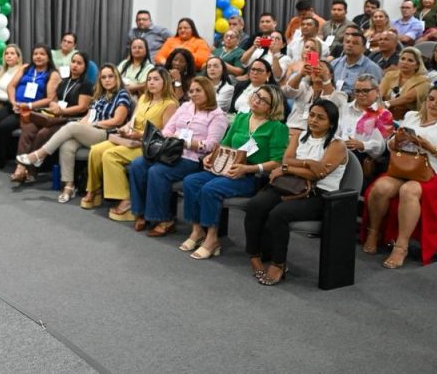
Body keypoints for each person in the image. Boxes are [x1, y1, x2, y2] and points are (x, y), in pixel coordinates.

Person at [244, 99, 348, 285]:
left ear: (331, 123)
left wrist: (287, 168)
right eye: (312, 115)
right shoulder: (299, 136)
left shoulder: (337, 145)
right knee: (256, 205)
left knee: (278, 214)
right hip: (290, 185)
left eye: (320, 118)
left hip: (320, 194)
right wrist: (308, 163)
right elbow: (287, 159)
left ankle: (278, 264)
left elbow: (318, 174)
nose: (313, 120)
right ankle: (255, 256)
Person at [180, 84, 289, 260]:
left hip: (251, 175)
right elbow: (225, 143)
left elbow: (277, 162)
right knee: (191, 181)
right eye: (256, 95)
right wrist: (211, 157)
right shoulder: (241, 118)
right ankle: (197, 230)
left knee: (211, 189)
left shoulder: (277, 128)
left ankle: (212, 238)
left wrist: (249, 168)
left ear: (272, 107)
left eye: (263, 100)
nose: (257, 100)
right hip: (227, 166)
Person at [362, 85, 437, 267]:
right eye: (431, 99)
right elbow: (391, 145)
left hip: (435, 172)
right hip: (404, 167)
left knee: (409, 190)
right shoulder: (412, 116)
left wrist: (431, 148)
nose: (433, 104)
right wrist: (396, 141)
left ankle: (401, 247)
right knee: (381, 187)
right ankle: (374, 233)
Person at [17, 64, 133, 203]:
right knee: (67, 145)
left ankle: (39, 155)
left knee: (72, 126)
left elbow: (117, 120)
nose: (107, 80)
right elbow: (88, 116)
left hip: (107, 134)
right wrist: (83, 125)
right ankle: (69, 186)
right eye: (103, 77)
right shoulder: (99, 95)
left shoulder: (122, 94)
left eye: (110, 76)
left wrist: (91, 125)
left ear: (117, 78)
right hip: (91, 131)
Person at [127, 77, 228, 236]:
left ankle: (164, 219)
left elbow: (211, 145)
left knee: (157, 171)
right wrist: (172, 137)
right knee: (138, 164)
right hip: (170, 151)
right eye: (191, 91)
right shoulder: (185, 107)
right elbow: (167, 130)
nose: (194, 94)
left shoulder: (217, 115)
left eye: (198, 90)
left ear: (208, 91)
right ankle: (141, 212)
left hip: (194, 159)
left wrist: (184, 142)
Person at [80, 68, 178, 219]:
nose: (151, 82)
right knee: (96, 150)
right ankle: (95, 189)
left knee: (110, 155)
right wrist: (125, 128)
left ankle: (126, 200)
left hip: (149, 145)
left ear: (165, 82)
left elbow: (165, 133)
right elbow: (132, 121)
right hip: (131, 138)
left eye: (156, 79)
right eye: (149, 79)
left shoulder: (170, 104)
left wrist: (140, 134)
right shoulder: (144, 98)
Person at [10, 52, 92, 184]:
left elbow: (82, 108)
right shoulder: (64, 81)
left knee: (43, 133)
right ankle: (20, 166)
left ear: (85, 66)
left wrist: (62, 110)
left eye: (79, 63)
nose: (75, 65)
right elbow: (53, 100)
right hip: (55, 116)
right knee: (29, 128)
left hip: (71, 119)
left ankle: (29, 171)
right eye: (73, 62)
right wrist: (54, 105)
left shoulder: (86, 84)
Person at [0, 44, 59, 168]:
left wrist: (28, 105)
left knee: (3, 126)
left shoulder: (52, 74)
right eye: (35, 54)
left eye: (42, 54)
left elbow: (50, 99)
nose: (38, 56)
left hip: (31, 110)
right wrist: (13, 102)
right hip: (15, 105)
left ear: (48, 57)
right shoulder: (25, 68)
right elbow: (11, 86)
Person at [337, 74, 393, 182]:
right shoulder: (345, 108)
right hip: (339, 151)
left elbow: (380, 147)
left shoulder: (384, 114)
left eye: (365, 91)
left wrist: (362, 145)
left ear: (377, 91)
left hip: (361, 157)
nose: (360, 94)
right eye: (357, 91)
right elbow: (335, 132)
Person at [280, 58, 346, 134]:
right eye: (314, 69)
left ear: (331, 75)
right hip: (289, 129)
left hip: (313, 135)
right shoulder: (304, 87)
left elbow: (329, 103)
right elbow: (287, 93)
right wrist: (301, 74)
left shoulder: (339, 95)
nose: (317, 71)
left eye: (321, 68)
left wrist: (325, 80)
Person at [378, 47, 430, 120]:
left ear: (417, 65)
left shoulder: (423, 81)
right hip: (385, 116)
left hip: (408, 119)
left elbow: (408, 98)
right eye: (402, 59)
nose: (405, 62)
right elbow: (379, 93)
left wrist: (386, 103)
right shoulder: (390, 75)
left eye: (410, 60)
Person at [330, 30, 382, 95]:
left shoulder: (371, 68)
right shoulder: (335, 63)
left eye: (355, 43)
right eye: (347, 42)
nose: (350, 45)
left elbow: (374, 94)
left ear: (364, 49)